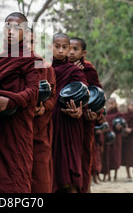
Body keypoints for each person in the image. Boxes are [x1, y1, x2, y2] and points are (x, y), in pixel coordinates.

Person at [0, 12, 41, 192]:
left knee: (15, 174)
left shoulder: (30, 59)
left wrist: (10, 101)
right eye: (8, 27)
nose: (11, 31)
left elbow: (33, 90)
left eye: (17, 28)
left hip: (15, 126)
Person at [51, 33, 88, 193]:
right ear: (50, 47)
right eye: (57, 46)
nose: (60, 51)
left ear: (69, 49)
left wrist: (80, 110)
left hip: (69, 125)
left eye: (65, 47)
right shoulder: (44, 68)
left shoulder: (74, 71)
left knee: (69, 170)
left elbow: (84, 93)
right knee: (50, 170)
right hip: (49, 125)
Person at [68, 37, 105, 193]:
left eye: (75, 49)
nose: (70, 52)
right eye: (68, 48)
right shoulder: (58, 65)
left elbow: (98, 94)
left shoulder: (88, 69)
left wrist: (96, 114)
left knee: (83, 161)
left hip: (84, 122)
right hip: (64, 121)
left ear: (83, 52)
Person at [29, 28, 57, 193]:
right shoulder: (6, 62)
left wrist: (43, 108)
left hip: (39, 129)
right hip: (15, 128)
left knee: (40, 175)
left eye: (31, 41)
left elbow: (52, 96)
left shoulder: (45, 67)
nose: (28, 45)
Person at [102, 97, 124, 182]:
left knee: (115, 156)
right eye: (109, 103)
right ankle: (107, 175)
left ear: (115, 104)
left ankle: (115, 175)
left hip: (116, 137)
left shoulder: (119, 114)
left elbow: (122, 125)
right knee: (107, 156)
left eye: (112, 103)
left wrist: (119, 127)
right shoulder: (106, 113)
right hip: (107, 136)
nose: (110, 105)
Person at [121, 100, 133, 179]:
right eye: (131, 105)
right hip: (126, 138)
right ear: (128, 106)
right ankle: (128, 173)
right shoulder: (125, 115)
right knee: (127, 156)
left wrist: (131, 130)